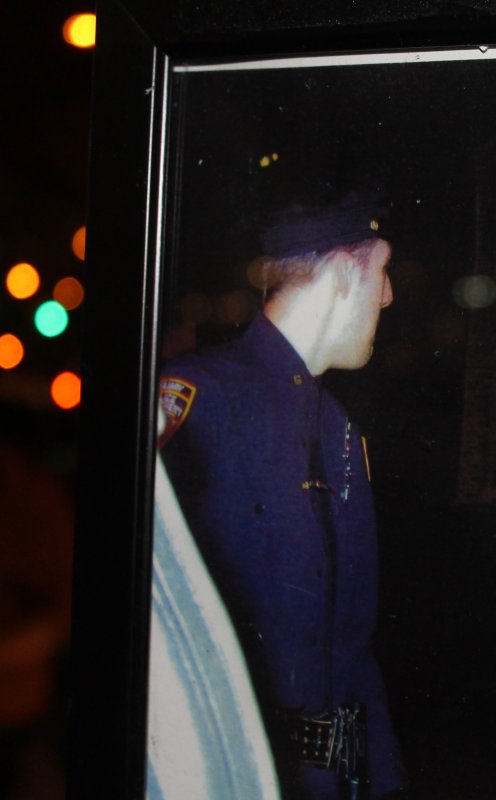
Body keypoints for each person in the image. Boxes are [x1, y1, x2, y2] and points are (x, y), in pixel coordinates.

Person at [156, 192, 406, 799]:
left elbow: (351, 648)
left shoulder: (340, 429)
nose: (389, 295)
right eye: (381, 270)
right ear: (346, 271)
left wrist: (378, 781)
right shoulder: (198, 396)